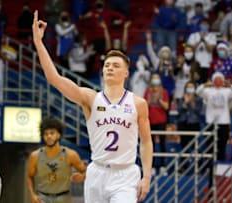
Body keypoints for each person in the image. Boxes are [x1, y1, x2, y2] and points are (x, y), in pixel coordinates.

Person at [32, 10, 153, 203]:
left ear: (126, 73)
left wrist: (146, 177)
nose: (110, 68)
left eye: (115, 65)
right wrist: (39, 42)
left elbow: (146, 142)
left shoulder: (138, 103)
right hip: (97, 172)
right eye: (107, 65)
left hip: (125, 174)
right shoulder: (90, 98)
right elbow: (54, 78)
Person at [27, 117, 87, 203]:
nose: (49, 136)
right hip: (42, 197)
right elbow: (29, 176)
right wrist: (32, 194)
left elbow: (86, 172)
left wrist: (83, 177)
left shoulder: (70, 154)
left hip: (63, 197)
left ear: (59, 135)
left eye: (52, 133)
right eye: (46, 134)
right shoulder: (35, 156)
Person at [196, 72, 232, 161]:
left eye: (220, 79)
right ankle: (210, 167)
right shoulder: (208, 91)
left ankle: (220, 165)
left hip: (224, 122)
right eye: (216, 79)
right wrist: (205, 84)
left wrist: (230, 85)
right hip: (211, 122)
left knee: (222, 146)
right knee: (210, 146)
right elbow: (198, 91)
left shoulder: (227, 91)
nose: (218, 81)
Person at [144, 73, 169, 174]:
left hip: (161, 121)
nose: (155, 81)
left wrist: (159, 99)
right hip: (150, 120)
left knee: (163, 144)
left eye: (157, 78)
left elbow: (166, 107)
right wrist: (150, 99)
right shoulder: (147, 91)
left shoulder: (164, 92)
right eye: (154, 79)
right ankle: (152, 166)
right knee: (151, 145)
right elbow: (144, 105)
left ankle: (163, 166)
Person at [187, 18, 217, 83]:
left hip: (207, 64)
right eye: (202, 24)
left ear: (208, 26)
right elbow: (191, 49)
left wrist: (204, 40)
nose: (204, 26)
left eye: (206, 24)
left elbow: (210, 49)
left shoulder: (212, 36)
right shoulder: (193, 36)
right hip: (196, 64)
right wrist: (200, 39)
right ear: (199, 26)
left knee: (206, 84)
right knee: (195, 83)